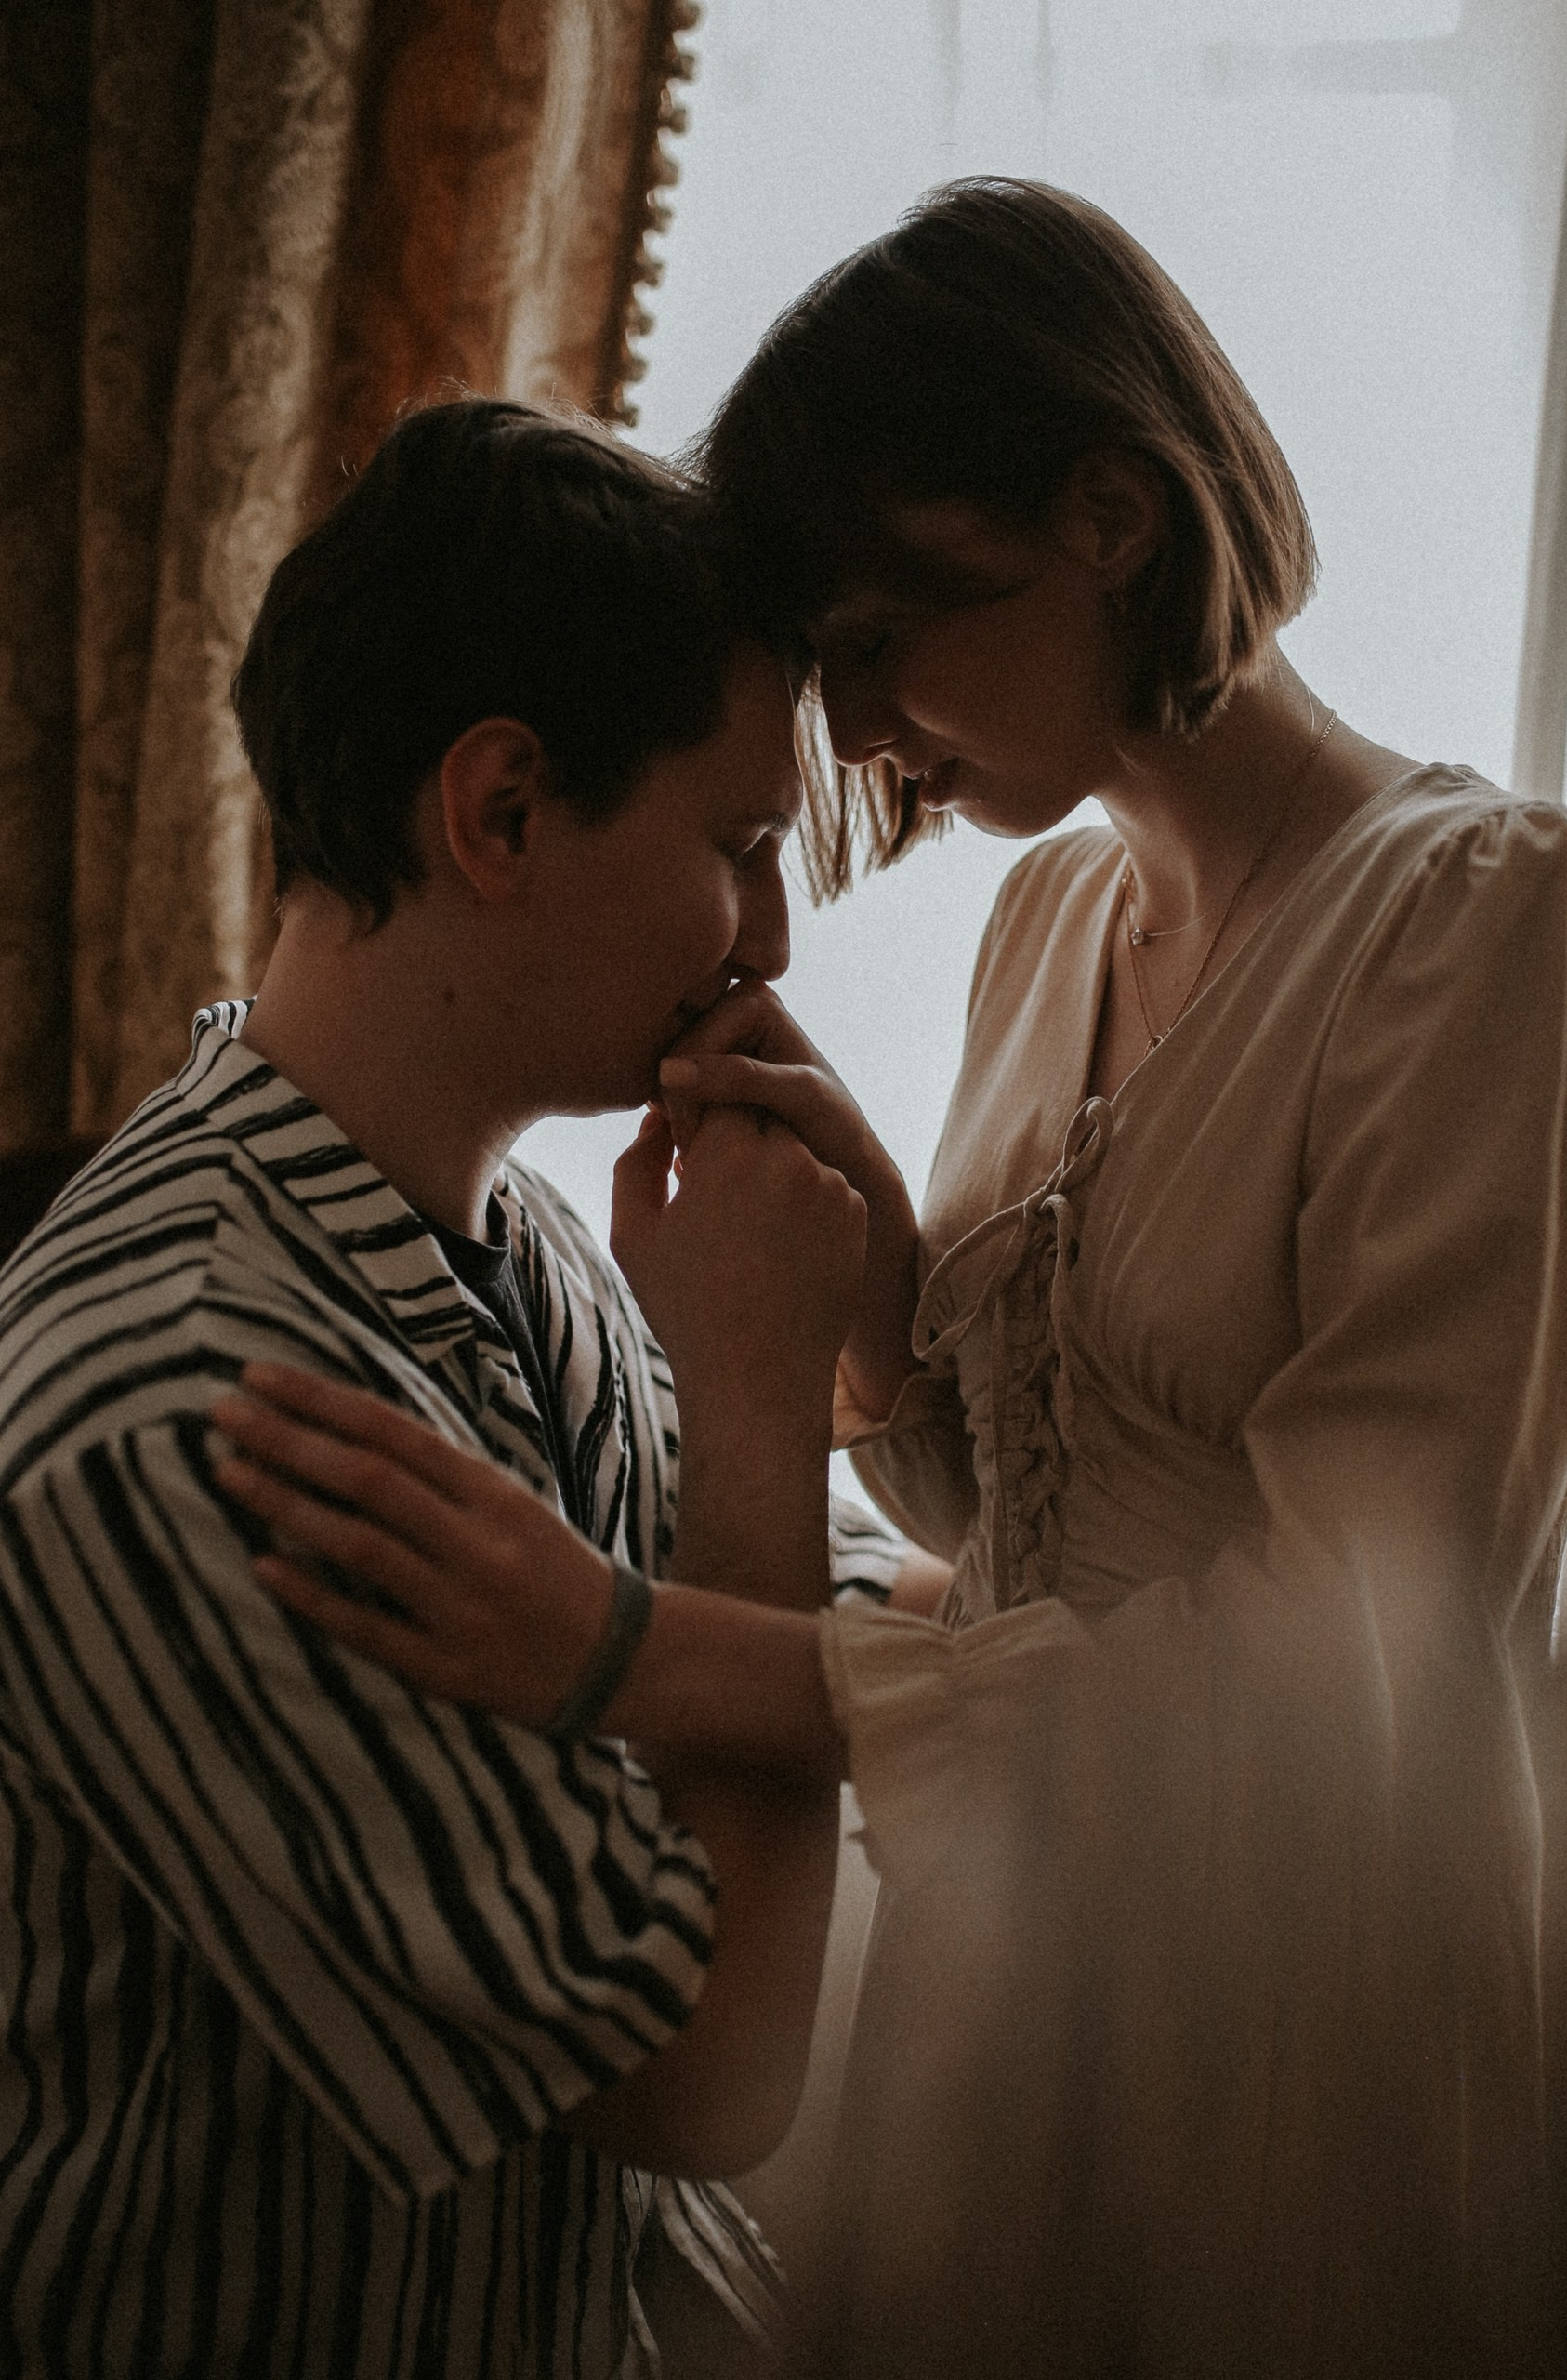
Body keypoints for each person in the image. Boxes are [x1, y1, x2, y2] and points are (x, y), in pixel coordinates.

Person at [209, 183, 1567, 2376]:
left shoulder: (1481, 919)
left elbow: (1345, 1670)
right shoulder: (1049, 927)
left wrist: (645, 1648)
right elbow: (1021, 1512)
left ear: (1106, 516)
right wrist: (872, 1290)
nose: (845, 730)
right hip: (1014, 1968)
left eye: (870, 635)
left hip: (1290, 2015)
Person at [0, 395, 923, 2379]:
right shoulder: (188, 1416)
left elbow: (874, 1630)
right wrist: (761, 1402)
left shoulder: (533, 1244)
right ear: (499, 810)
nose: (772, 940)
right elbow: (704, 2077)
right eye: (743, 847)